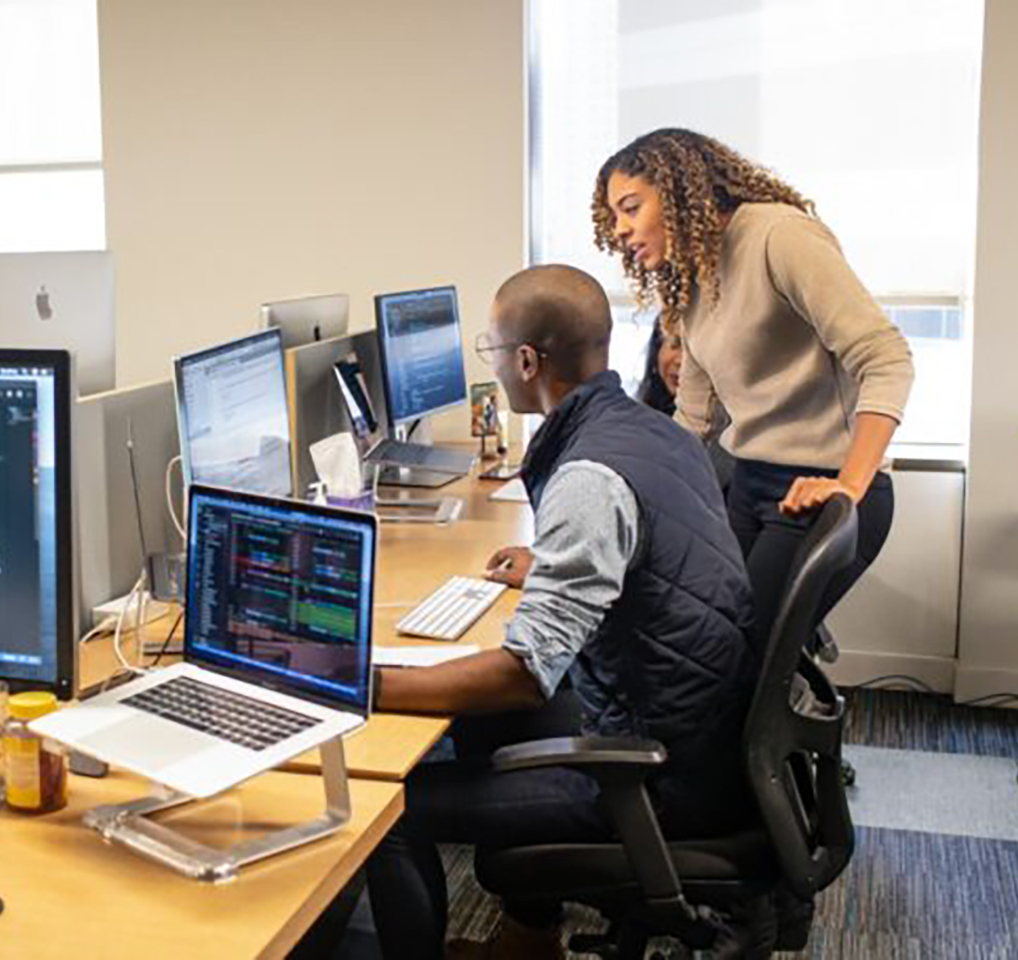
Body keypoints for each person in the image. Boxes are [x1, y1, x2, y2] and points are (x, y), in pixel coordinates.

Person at [365, 264, 757, 960]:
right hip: (701, 732)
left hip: (657, 773)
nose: (491, 362)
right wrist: (551, 570)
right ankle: (527, 943)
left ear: (525, 361)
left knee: (388, 807)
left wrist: (364, 686)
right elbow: (651, 567)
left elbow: (524, 675)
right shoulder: (651, 430)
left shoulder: (588, 479)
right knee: (485, 723)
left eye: (492, 349)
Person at [594, 128, 914, 649]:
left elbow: (886, 358)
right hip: (752, 486)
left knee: (734, 657)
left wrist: (848, 487)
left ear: (677, 191)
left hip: (823, 489)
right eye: (613, 217)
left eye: (630, 208)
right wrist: (603, 505)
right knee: (694, 642)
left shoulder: (779, 237)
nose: (621, 230)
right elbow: (690, 424)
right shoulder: (693, 274)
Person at [637, 317, 735, 494]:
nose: (682, 362)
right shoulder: (635, 417)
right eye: (675, 344)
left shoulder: (736, 433)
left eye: (693, 349)